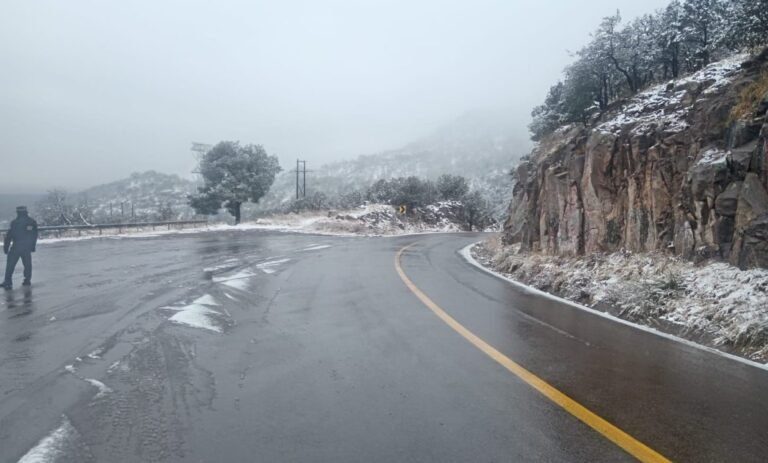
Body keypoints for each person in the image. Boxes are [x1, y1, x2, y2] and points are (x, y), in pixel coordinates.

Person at [2, 206, 38, 290]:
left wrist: (6, 247)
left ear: (18, 212)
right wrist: (32, 246)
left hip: (16, 246)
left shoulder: (14, 222)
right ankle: (27, 280)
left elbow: (9, 235)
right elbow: (34, 235)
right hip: (26, 247)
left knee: (10, 265)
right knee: (27, 265)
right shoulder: (31, 222)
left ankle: (8, 282)